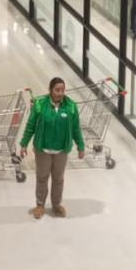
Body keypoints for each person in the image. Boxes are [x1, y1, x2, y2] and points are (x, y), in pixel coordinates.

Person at [19, 77, 86, 219]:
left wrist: (81, 146)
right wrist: (24, 143)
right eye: (57, 90)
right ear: (50, 90)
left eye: (62, 90)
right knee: (42, 177)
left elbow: (75, 129)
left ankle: (56, 205)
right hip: (43, 149)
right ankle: (40, 205)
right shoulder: (39, 104)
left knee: (58, 178)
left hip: (61, 150)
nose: (60, 93)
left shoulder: (71, 106)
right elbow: (30, 126)